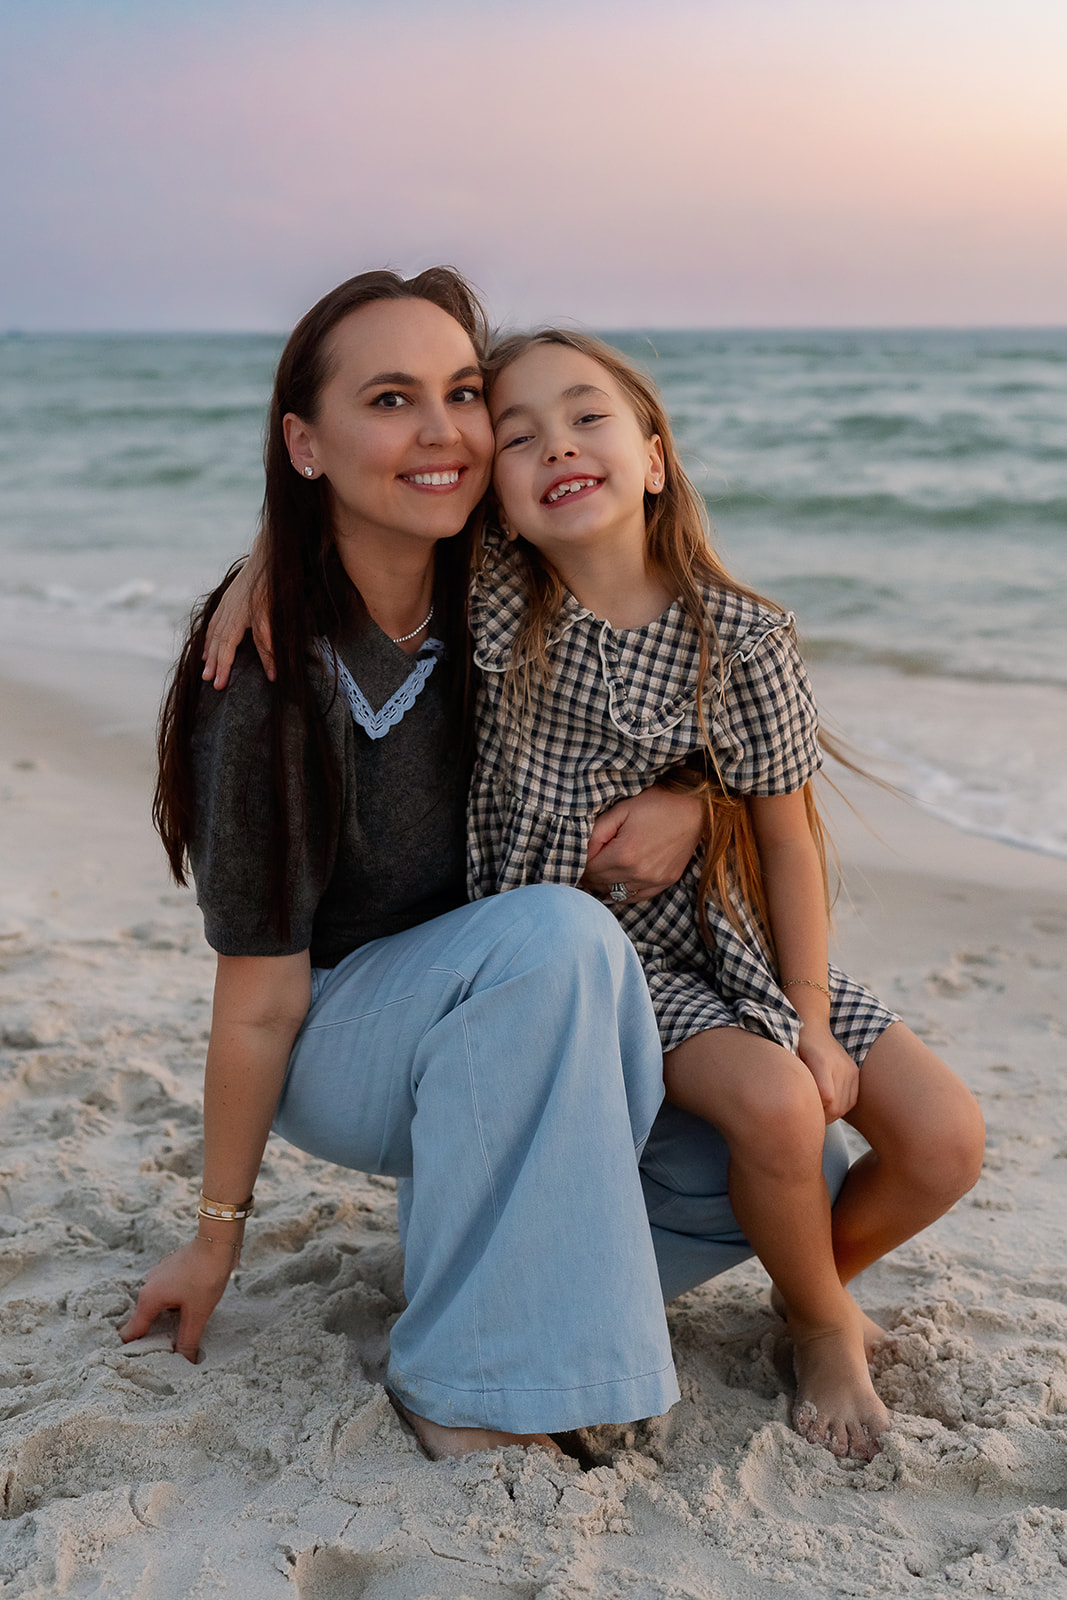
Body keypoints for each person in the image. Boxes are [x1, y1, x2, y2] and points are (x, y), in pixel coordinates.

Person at [119, 269, 714, 1459]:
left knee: (763, 1161)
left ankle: (494, 1287)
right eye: (389, 400)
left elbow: (681, 668)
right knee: (558, 932)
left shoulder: (507, 587)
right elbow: (256, 1004)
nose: (440, 431)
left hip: (516, 1015)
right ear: (305, 440)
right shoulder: (265, 673)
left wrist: (690, 799)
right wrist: (216, 1232)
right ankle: (461, 1383)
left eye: (460, 393)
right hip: (336, 1033)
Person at [462, 329, 986, 1462]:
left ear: (653, 456)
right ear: (495, 500)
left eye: (586, 416)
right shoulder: (503, 610)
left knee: (943, 1139)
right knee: (776, 1104)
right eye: (517, 435)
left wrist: (803, 1004)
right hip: (590, 954)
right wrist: (260, 568)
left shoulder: (741, 637)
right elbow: (355, 540)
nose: (557, 444)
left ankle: (804, 1288)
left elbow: (786, 840)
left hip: (732, 940)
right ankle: (820, 1324)